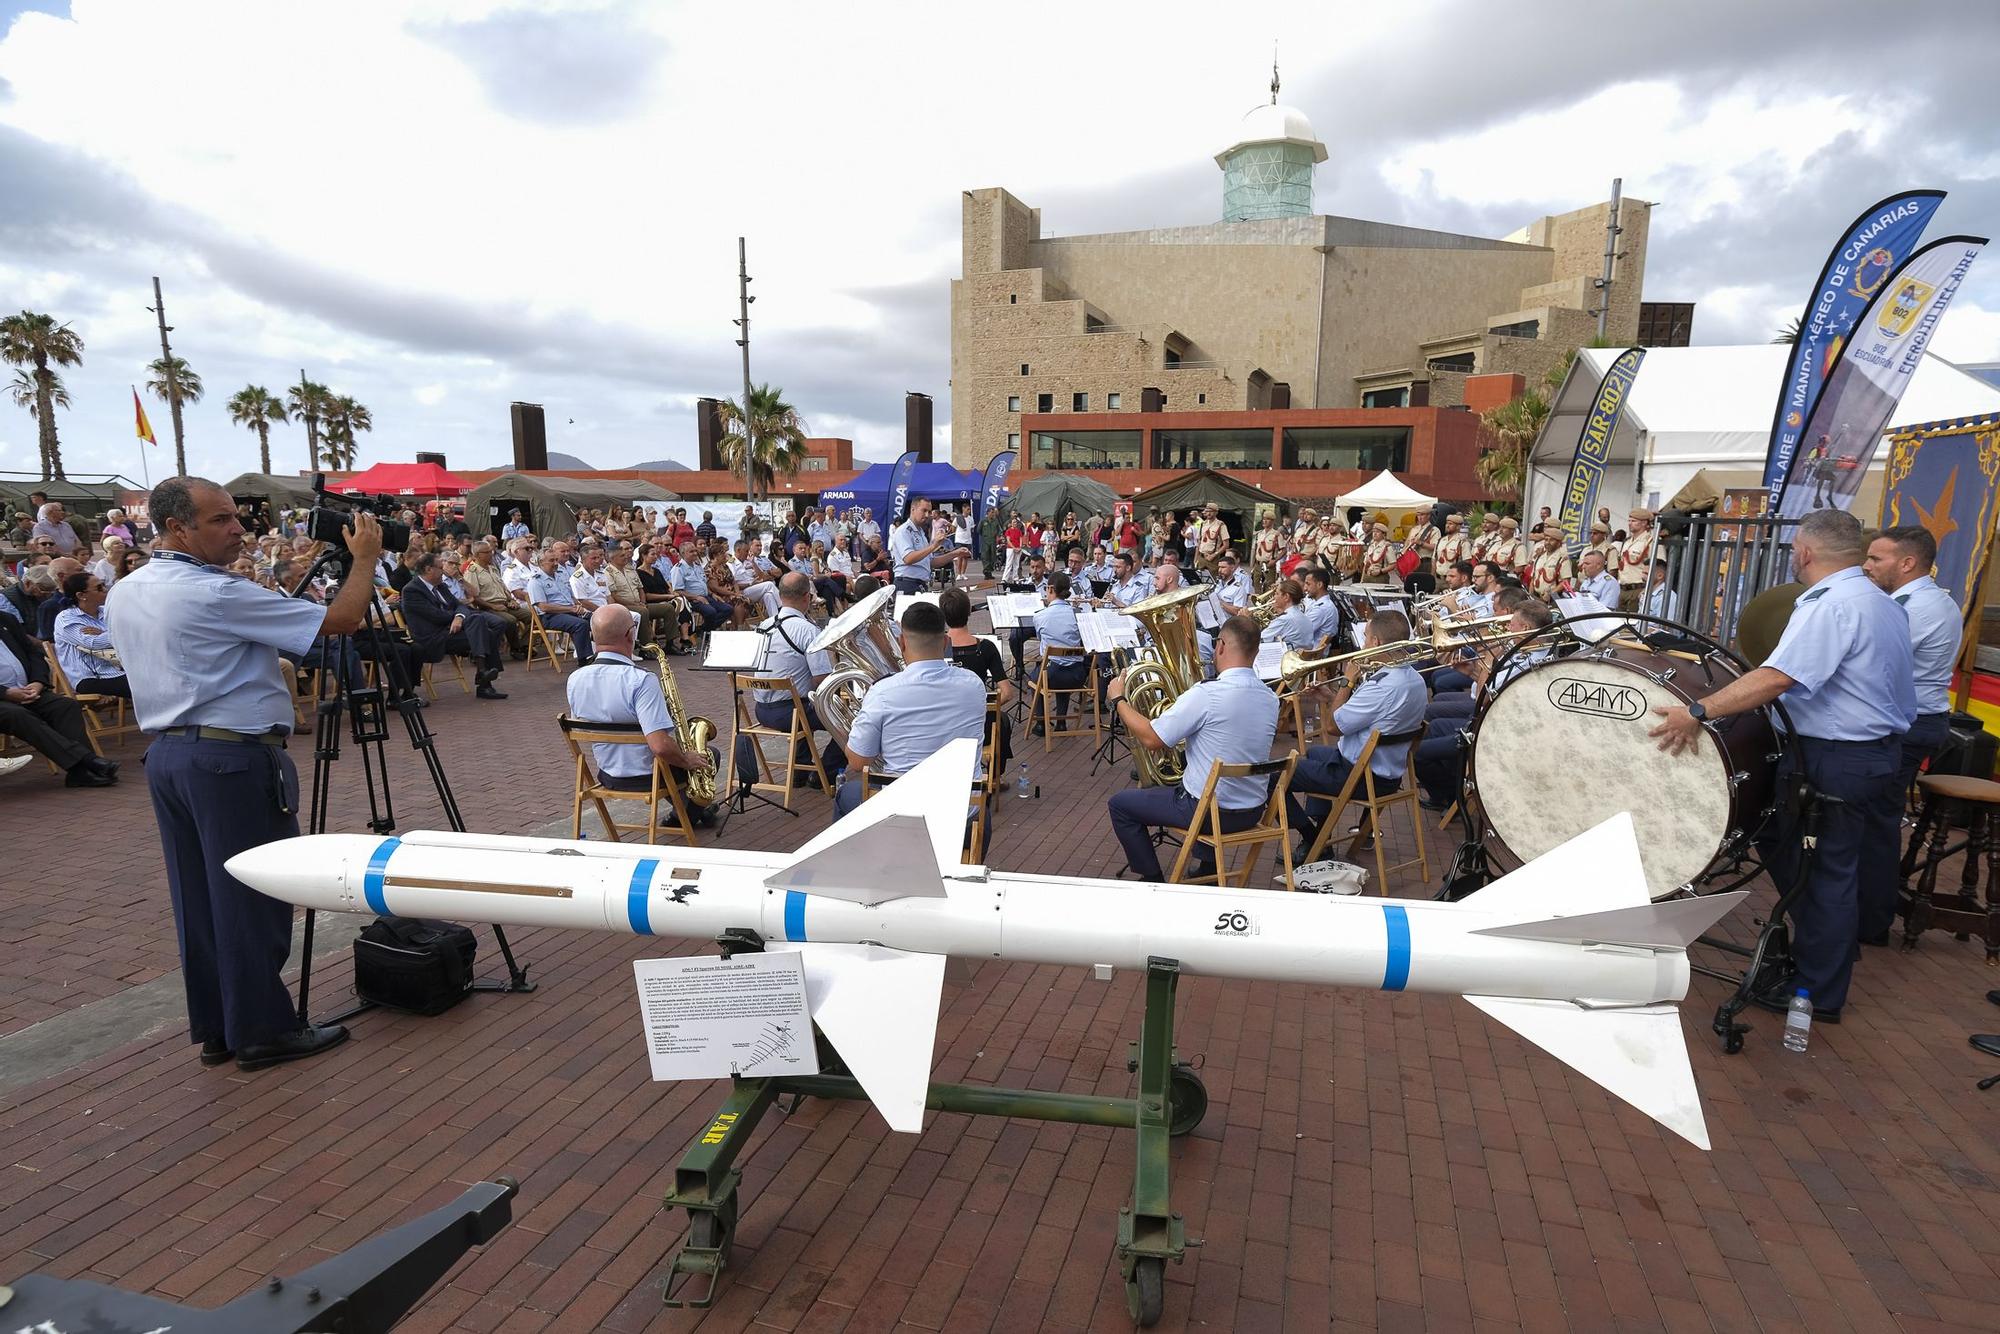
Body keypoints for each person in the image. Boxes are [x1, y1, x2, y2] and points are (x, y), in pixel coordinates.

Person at [108, 476, 391, 1071]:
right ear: (178, 528)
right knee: (254, 895)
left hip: (169, 756)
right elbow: (340, 620)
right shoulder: (212, 593)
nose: (238, 528)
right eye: (220, 520)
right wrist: (364, 559)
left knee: (200, 899)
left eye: (235, 517)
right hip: (228, 758)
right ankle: (262, 1030)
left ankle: (220, 1026)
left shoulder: (128, 589)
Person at [1649, 508, 1912, 1022]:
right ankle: (1826, 958)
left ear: (1807, 552)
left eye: (1793, 549)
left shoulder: (1831, 605)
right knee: (1803, 856)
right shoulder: (1881, 602)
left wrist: (1698, 710)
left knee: (1820, 872)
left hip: (1836, 757)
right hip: (1870, 754)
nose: (1793, 556)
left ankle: (1817, 990)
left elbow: (1777, 677)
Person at [1105, 615, 1279, 881]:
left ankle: (1153, 881)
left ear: (1220, 646)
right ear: (1256, 652)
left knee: (1120, 805)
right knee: (1200, 779)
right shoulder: (1270, 697)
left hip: (1207, 813)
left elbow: (1152, 740)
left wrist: (1119, 699)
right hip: (1252, 810)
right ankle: (1208, 869)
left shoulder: (1206, 694)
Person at [1284, 610, 1429, 852]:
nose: (1363, 643)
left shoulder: (1382, 685)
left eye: (1366, 637)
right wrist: (1331, 697)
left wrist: (1346, 681)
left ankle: (1312, 839)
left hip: (1359, 776)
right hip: (1388, 776)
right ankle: (1320, 833)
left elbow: (1332, 728)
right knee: (1315, 755)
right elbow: (1373, 715)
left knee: (1277, 776)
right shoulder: (1415, 679)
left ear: (1376, 643)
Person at [566, 604, 717, 824]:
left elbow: (583, 727)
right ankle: (684, 817)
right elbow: (660, 747)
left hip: (607, 773)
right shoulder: (640, 680)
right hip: (649, 777)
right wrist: (686, 759)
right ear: (630, 634)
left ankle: (691, 811)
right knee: (708, 755)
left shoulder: (575, 679)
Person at [836, 601, 990, 816]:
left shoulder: (882, 692)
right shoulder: (974, 684)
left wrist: (856, 722)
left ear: (902, 642)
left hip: (904, 811)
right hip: (963, 810)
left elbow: (857, 761)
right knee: (983, 813)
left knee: (846, 793)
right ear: (946, 642)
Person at [1863, 523, 1961, 813]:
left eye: (1876, 559)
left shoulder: (1912, 608)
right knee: (1876, 814)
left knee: (1875, 816)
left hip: (1909, 722)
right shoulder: (1926, 599)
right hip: (1917, 718)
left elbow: (1869, 663)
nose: (1866, 566)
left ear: (1907, 563)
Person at [0, 601, 113, 786]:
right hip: (4, 698)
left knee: (65, 706)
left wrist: (38, 682)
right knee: (18, 715)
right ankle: (85, 764)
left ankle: (82, 772)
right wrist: (6, 692)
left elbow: (33, 654)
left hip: (27, 690)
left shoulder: (6, 620)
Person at [747, 572, 846, 782]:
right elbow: (822, 680)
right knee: (848, 720)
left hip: (760, 710)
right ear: (807, 596)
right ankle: (824, 775)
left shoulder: (763, 626)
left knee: (803, 698)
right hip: (790, 713)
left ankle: (801, 771)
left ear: (780, 595)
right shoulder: (807, 630)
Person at [401, 553, 509, 699]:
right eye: (440, 568)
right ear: (428, 569)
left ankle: (483, 676)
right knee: (482, 628)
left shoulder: (440, 586)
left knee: (481, 626)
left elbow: (460, 606)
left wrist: (459, 617)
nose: (443, 572)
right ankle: (483, 680)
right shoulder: (412, 590)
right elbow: (435, 616)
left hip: (450, 632)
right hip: (431, 638)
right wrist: (457, 617)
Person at [1025, 572, 1088, 730]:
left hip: (1052, 675)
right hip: (1077, 675)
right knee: (1065, 665)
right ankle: (1061, 722)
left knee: (1035, 678)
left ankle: (1041, 723)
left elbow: (1041, 639)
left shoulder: (1040, 616)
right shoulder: (1078, 614)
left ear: (1050, 589)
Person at [52, 571, 129, 699]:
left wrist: (106, 634)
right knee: (146, 685)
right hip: (90, 677)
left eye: (103, 585)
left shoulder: (106, 611)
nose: (105, 589)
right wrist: (118, 633)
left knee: (161, 676)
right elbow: (93, 643)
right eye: (99, 588)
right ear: (81, 595)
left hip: (120, 669)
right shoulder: (66, 618)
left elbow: (131, 631)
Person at [461, 541, 531, 657]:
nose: (492, 554)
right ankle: (516, 648)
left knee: (533, 616)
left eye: (491, 551)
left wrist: (511, 600)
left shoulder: (492, 568)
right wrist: (493, 606)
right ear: (478, 555)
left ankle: (524, 644)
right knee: (510, 620)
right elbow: (474, 597)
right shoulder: (472, 571)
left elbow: (504, 588)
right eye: (487, 552)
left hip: (505, 604)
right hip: (488, 606)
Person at [527, 548, 594, 661]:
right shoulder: (535, 581)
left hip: (570, 612)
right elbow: (543, 607)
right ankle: (584, 659)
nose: (556, 563)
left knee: (598, 620)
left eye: (556, 560)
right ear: (541, 563)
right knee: (580, 624)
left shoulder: (561, 576)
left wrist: (578, 606)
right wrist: (570, 609)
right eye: (552, 560)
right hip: (550, 616)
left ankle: (604, 654)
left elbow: (572, 597)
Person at [891, 496, 963, 595]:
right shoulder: (904, 531)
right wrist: (933, 546)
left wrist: (955, 553)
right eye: (924, 510)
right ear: (913, 509)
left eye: (929, 512)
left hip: (920, 584)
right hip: (907, 583)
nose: (927, 515)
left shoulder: (921, 532)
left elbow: (931, 562)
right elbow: (908, 558)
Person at [1616, 508, 1656, 611]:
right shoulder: (1627, 542)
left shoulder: (1651, 542)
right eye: (1629, 520)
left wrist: (1648, 589)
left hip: (1638, 589)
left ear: (1643, 523)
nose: (1630, 523)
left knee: (1633, 623)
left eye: (1634, 521)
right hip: (1622, 589)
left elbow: (1658, 567)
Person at [1260, 578, 1317, 651]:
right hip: (1301, 658)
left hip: (1287, 660)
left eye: (1277, 594)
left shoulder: (1284, 620)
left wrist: (1247, 621)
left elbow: (1258, 641)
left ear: (1286, 597)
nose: (1274, 597)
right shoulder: (1304, 617)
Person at [1640, 556, 1677, 622]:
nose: (1642, 577)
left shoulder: (1668, 597)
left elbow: (1665, 627)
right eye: (1642, 573)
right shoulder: (1645, 593)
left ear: (1660, 576)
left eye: (1646, 574)